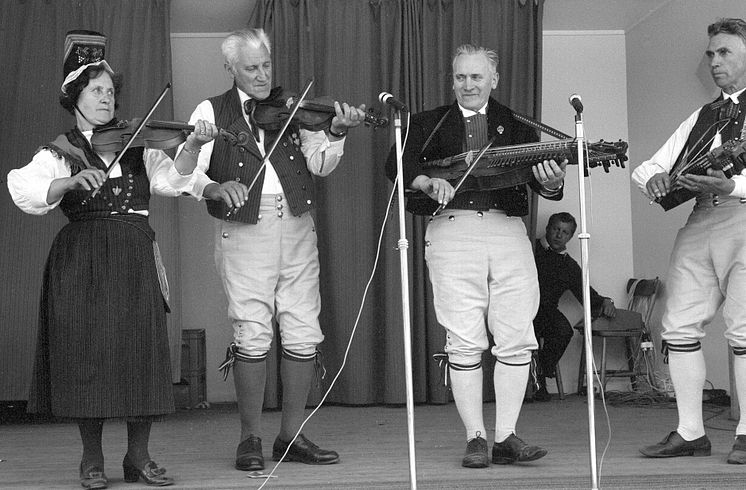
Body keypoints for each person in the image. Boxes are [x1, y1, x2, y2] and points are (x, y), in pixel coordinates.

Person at [6, 31, 218, 488]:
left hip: (135, 254)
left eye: (110, 91)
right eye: (96, 91)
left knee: (141, 352)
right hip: (82, 261)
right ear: (75, 97)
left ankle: (138, 458)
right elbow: (22, 187)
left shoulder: (138, 142)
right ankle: (91, 460)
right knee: (89, 356)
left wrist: (195, 146)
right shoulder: (60, 150)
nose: (107, 99)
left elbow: (175, 180)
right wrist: (65, 183)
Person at [170, 28, 367, 471]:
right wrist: (216, 186)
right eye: (251, 68)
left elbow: (320, 163)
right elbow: (186, 174)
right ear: (231, 68)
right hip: (243, 229)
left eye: (266, 65)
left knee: (302, 327)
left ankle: (292, 436)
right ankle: (250, 439)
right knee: (252, 329)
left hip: (296, 222)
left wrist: (336, 131)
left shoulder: (292, 107)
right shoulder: (211, 110)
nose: (262, 76)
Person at [385, 43, 567, 468]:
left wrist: (554, 182)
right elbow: (396, 166)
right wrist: (428, 182)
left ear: (493, 80)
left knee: (517, 332)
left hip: (507, 229)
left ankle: (506, 435)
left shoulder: (517, 125)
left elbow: (542, 183)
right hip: (452, 229)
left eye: (477, 77)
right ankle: (476, 437)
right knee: (464, 336)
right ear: (453, 80)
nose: (468, 85)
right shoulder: (428, 122)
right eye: (461, 77)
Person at [633, 18, 746, 464]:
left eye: (725, 53)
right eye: (711, 54)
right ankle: (690, 431)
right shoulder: (700, 116)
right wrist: (656, 179)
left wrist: (732, 188)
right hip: (700, 219)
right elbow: (646, 166)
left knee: (744, 331)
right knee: (677, 326)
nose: (715, 61)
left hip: (743, 217)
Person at [532, 212, 616, 402]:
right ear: (548, 229)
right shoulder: (530, 247)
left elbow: (585, 292)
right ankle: (536, 382)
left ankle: (541, 374)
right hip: (521, 307)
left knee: (563, 330)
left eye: (565, 232)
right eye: (556, 229)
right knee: (529, 334)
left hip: (545, 310)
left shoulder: (569, 265)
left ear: (570, 236)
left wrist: (605, 301)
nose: (559, 235)